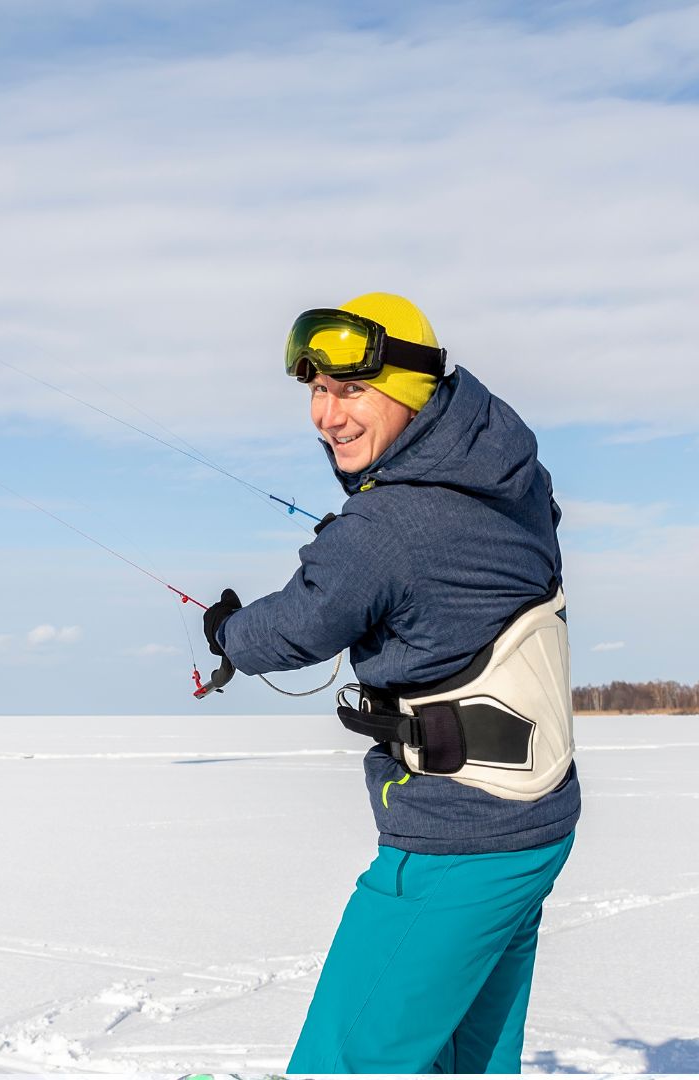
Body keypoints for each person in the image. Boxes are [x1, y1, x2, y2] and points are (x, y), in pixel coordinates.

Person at [203, 293, 580, 1074]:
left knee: (350, 1059)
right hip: (535, 828)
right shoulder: (511, 477)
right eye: (316, 390)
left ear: (411, 391)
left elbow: (295, 629)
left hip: (454, 841)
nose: (326, 415)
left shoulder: (387, 530)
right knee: (462, 1060)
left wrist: (226, 632)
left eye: (351, 391)